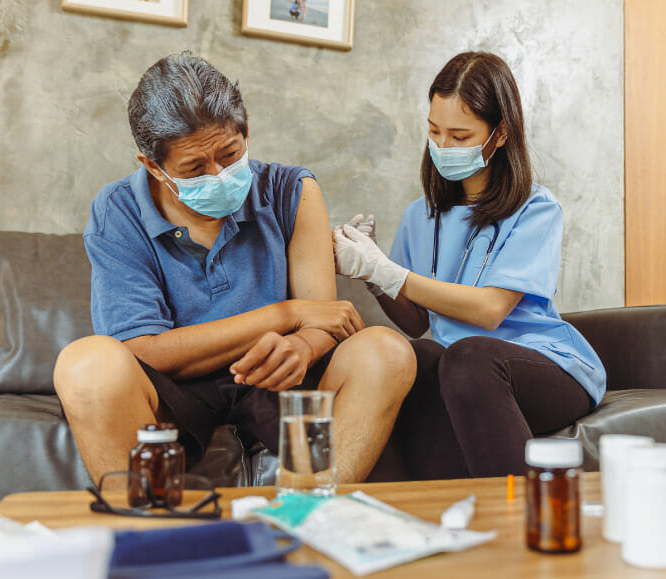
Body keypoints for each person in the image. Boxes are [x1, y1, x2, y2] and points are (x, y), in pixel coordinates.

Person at [53, 51, 416, 487]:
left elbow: (321, 318)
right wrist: (284, 315)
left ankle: (311, 514)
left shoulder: (293, 190)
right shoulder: (118, 210)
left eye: (230, 153)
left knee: (387, 351)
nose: (220, 174)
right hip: (175, 394)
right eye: (195, 168)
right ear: (153, 165)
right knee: (85, 364)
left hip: (280, 384)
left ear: (246, 131)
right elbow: (144, 348)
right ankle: (144, 530)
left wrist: (302, 347)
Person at [333, 51, 606, 479]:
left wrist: (390, 272)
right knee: (413, 356)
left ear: (499, 134)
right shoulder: (418, 216)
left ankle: (518, 523)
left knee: (467, 356)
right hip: (460, 369)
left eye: (459, 137)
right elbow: (417, 320)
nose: (442, 146)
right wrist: (372, 273)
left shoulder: (535, 208)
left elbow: (489, 310)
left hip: (542, 366)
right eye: (434, 131)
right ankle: (430, 513)